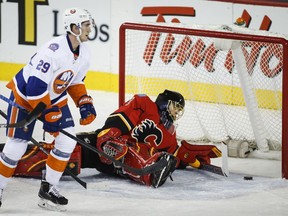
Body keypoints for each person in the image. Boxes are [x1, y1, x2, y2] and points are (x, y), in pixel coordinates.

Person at [0, 7, 96, 210]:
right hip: (26, 97)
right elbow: (35, 88)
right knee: (16, 145)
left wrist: (84, 103)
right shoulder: (52, 52)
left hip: (53, 97)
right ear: (74, 27)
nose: (90, 28)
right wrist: (49, 115)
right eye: (86, 25)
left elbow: (74, 81)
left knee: (67, 140)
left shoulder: (84, 52)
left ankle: (48, 189)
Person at [80, 89, 222, 188]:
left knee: (140, 150)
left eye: (179, 110)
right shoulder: (145, 104)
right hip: (103, 146)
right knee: (72, 151)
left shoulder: (170, 134)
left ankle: (150, 173)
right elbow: (122, 116)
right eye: (175, 107)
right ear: (166, 103)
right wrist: (110, 135)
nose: (177, 112)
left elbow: (171, 156)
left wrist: (186, 157)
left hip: (122, 164)